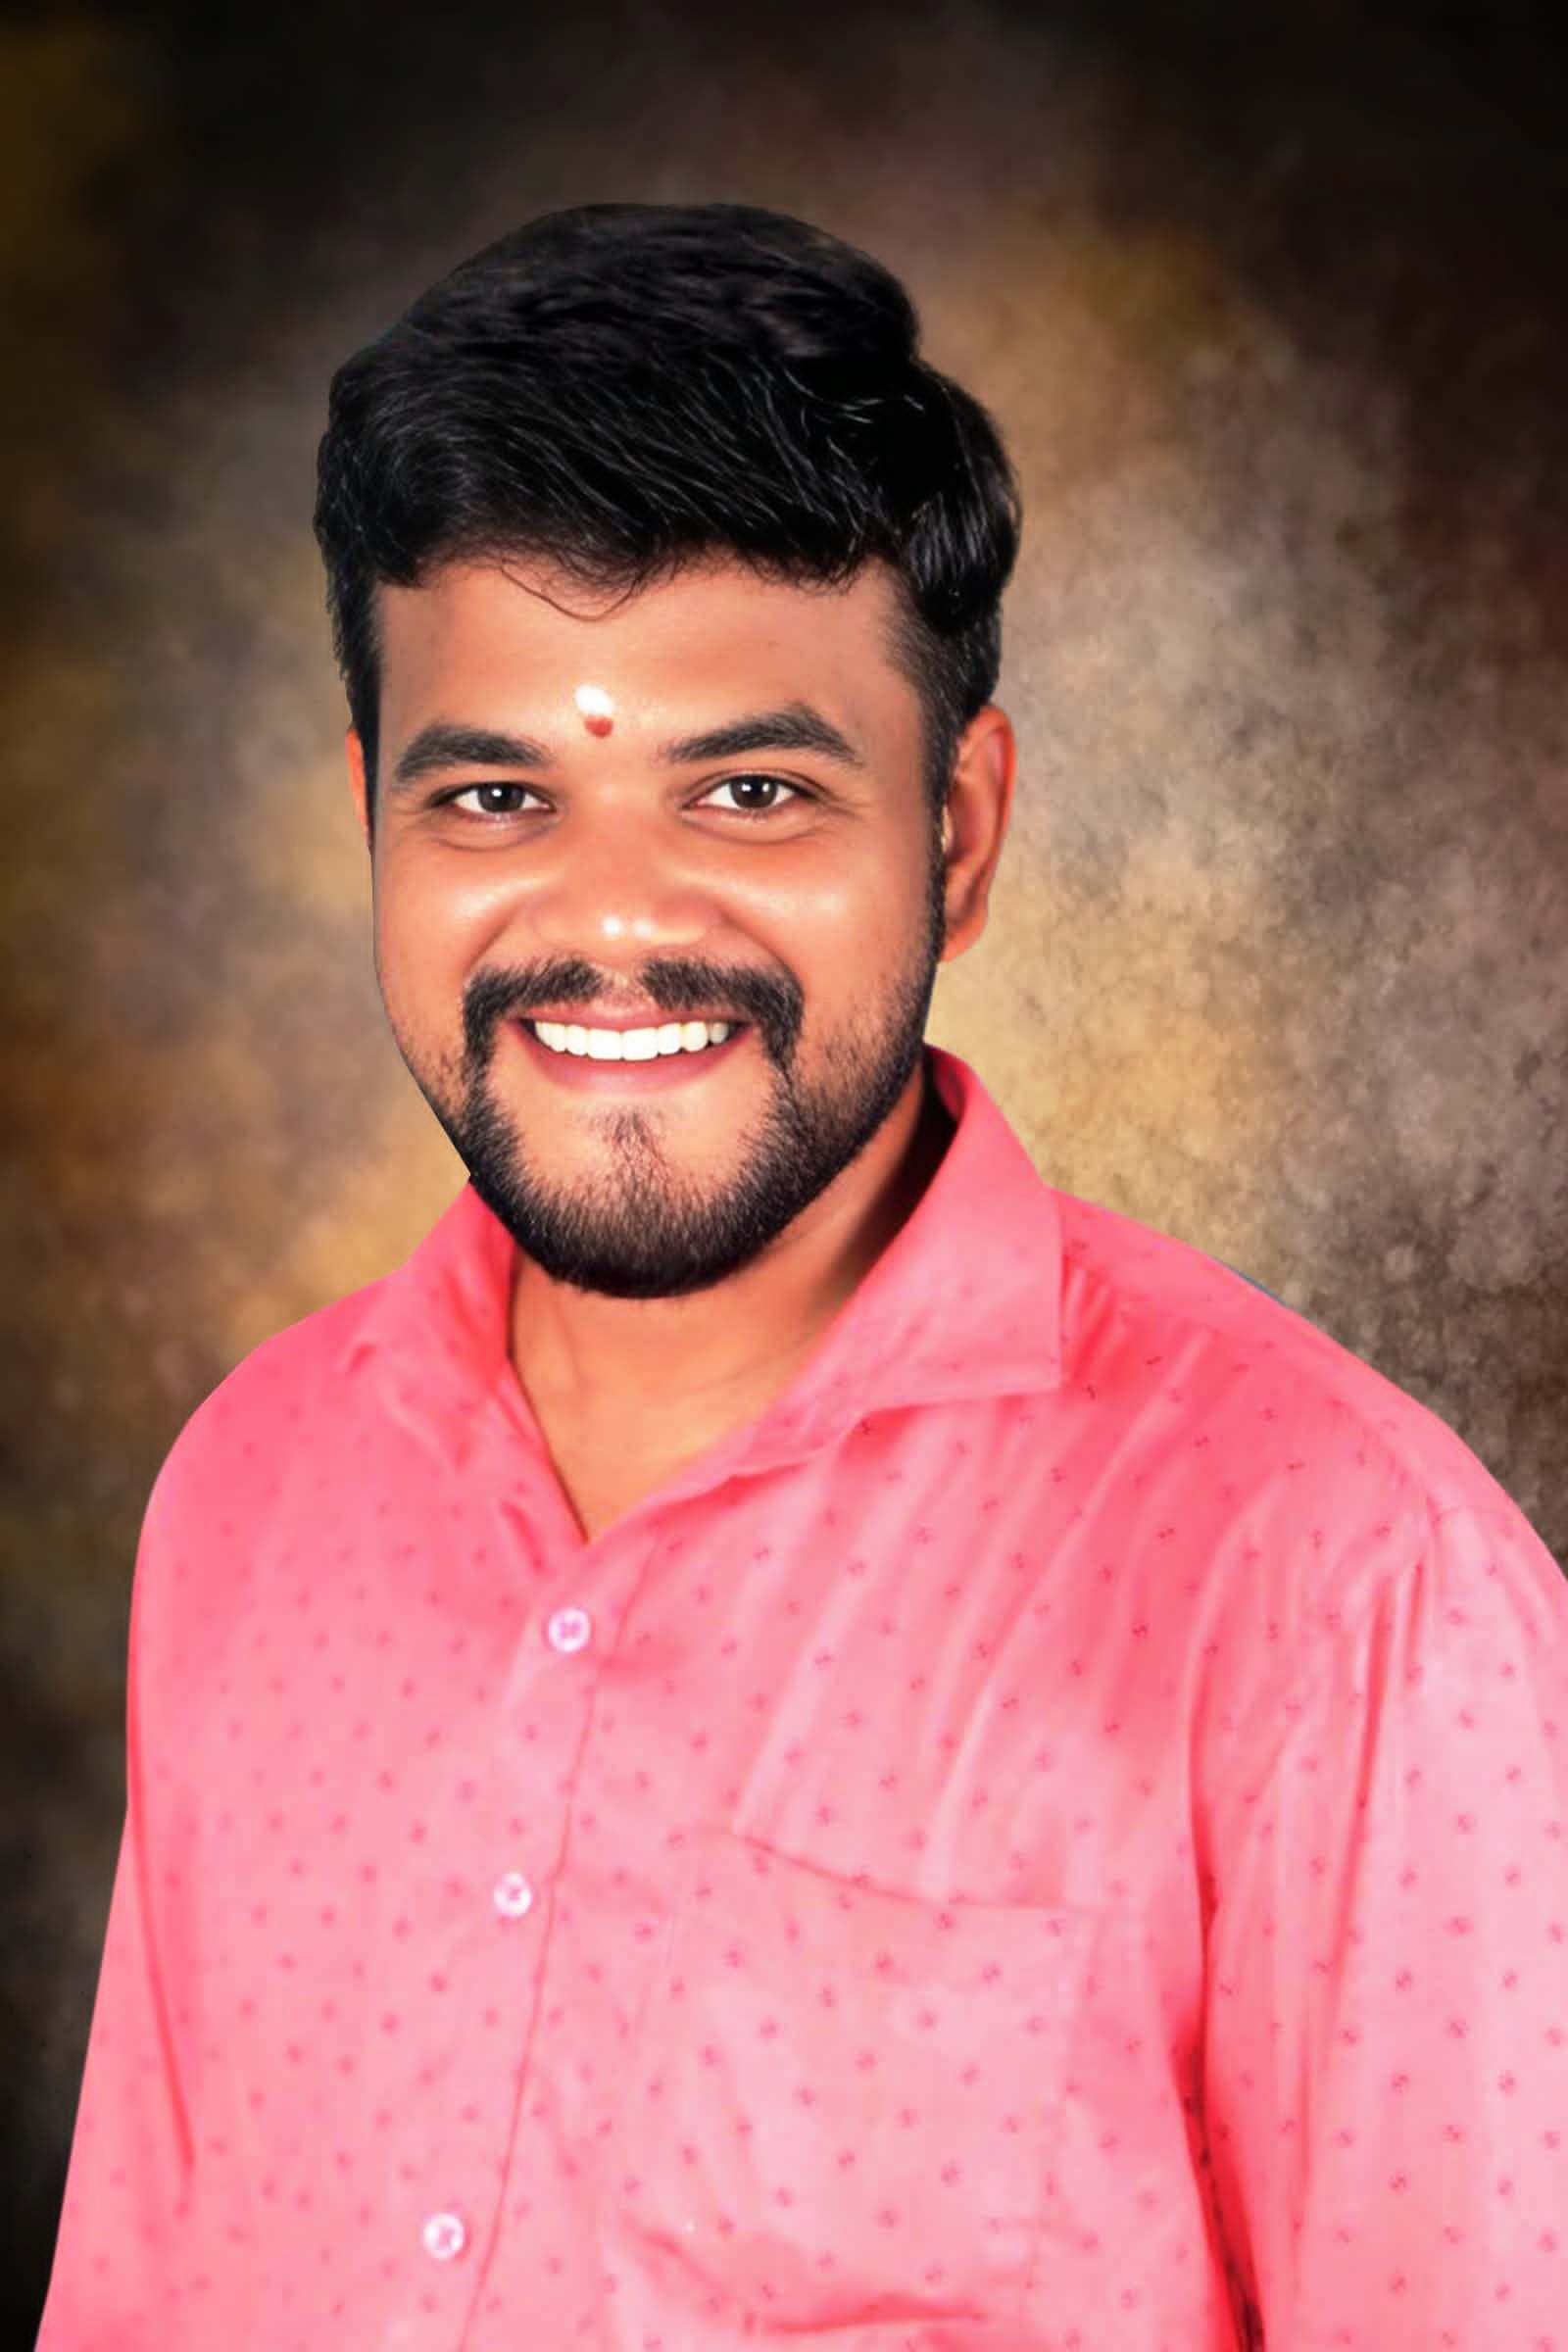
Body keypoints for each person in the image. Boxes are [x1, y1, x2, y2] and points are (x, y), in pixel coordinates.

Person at [37, 202, 1567, 2352]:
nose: (613, 921)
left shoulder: (1341, 1588)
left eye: (749, 790)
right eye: (497, 793)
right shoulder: (250, 1494)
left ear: (956, 829)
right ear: (370, 815)